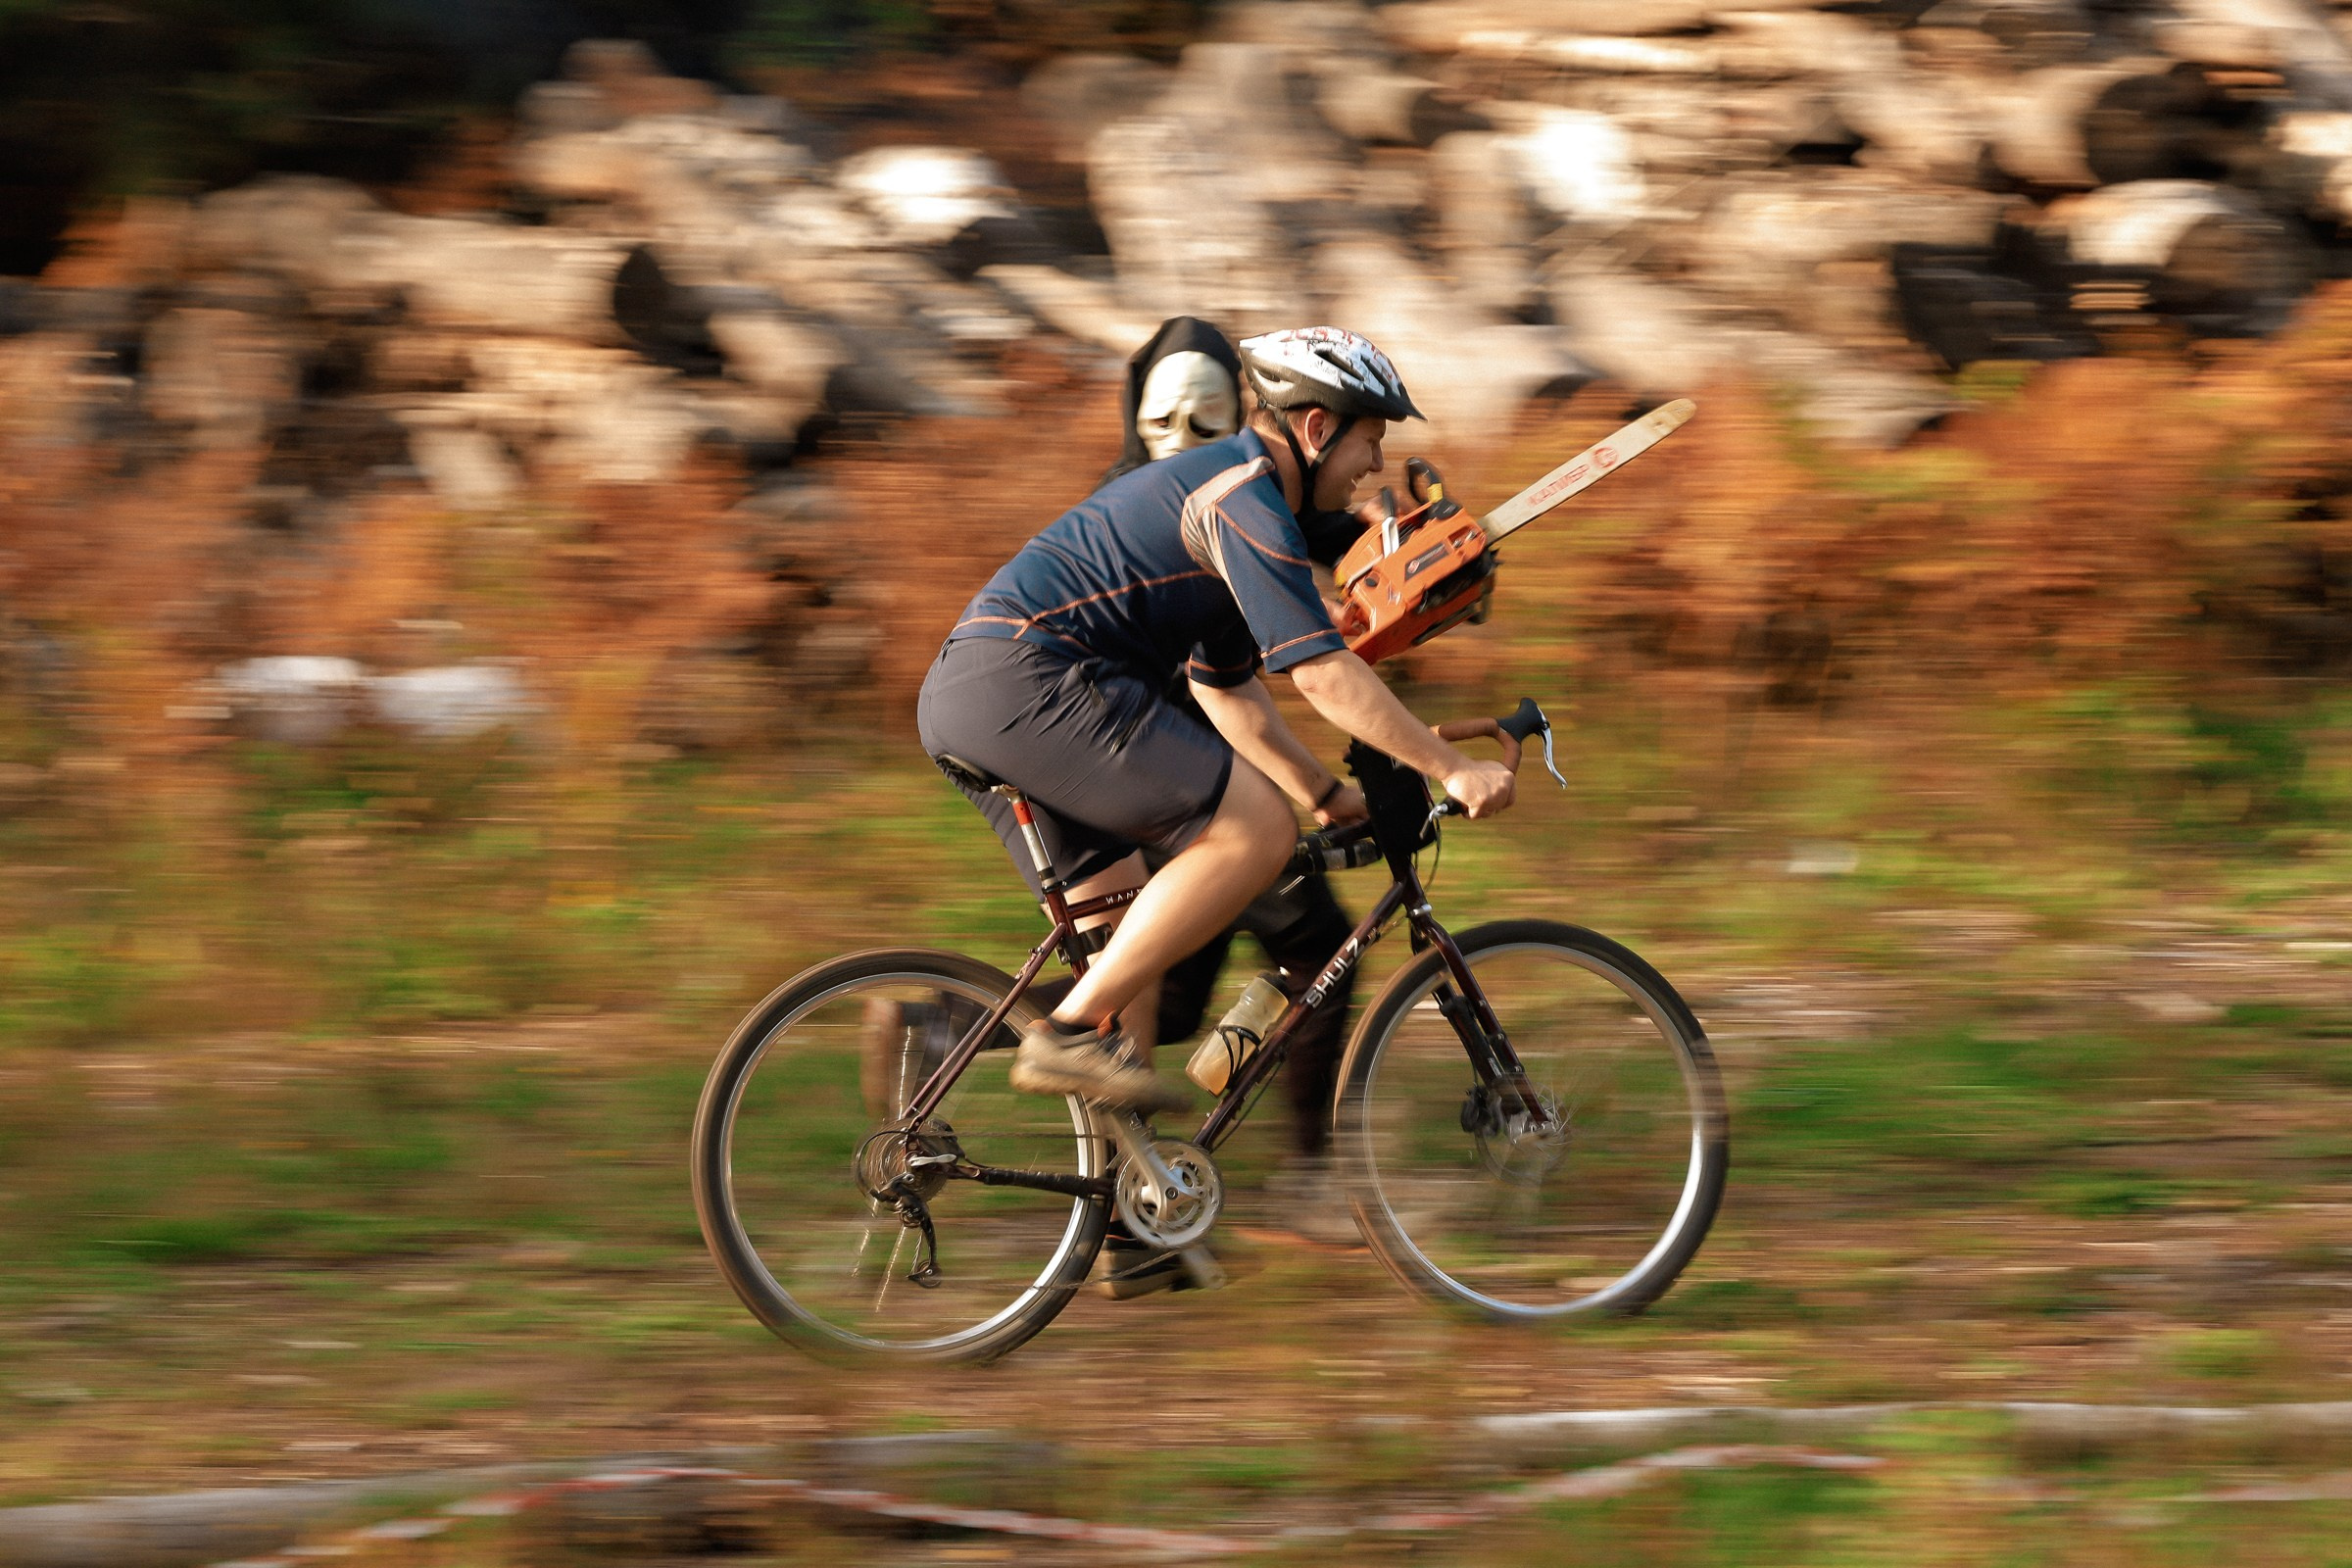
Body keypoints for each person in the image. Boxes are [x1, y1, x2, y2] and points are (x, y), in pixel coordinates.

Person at [915, 324, 1515, 1127]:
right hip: (1031, 681)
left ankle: (1133, 1217)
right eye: (1370, 440)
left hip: (983, 695)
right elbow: (1321, 670)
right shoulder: (1242, 498)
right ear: (1314, 428)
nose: (1375, 464)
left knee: (1129, 967)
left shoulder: (1238, 502)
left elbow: (1226, 687)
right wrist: (1451, 766)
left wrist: (1322, 790)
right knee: (1253, 830)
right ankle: (1057, 1033)